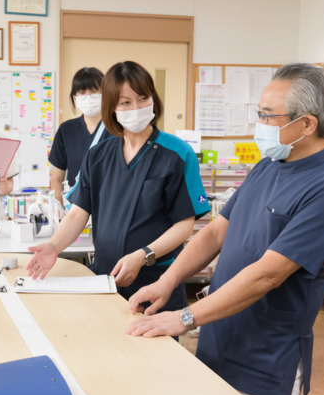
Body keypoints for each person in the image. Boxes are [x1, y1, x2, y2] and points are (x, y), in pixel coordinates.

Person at [125, 64, 324, 395]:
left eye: (267, 115)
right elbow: (215, 233)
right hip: (217, 343)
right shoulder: (268, 165)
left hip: (263, 365)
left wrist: (184, 318)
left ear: (307, 124)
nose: (259, 123)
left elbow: (268, 274)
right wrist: (167, 282)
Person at [27, 61, 210, 311]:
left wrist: (143, 256)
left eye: (143, 98)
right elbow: (79, 212)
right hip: (105, 277)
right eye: (125, 102)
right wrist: (54, 246)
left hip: (154, 279)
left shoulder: (177, 153)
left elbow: (184, 225)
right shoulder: (98, 155)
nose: (136, 108)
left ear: (153, 100)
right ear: (111, 107)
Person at [49, 67, 105, 205]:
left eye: (94, 92)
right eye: (82, 92)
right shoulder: (66, 130)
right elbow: (56, 178)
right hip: (74, 208)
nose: (88, 97)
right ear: (75, 97)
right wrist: (59, 209)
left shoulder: (118, 130)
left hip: (109, 206)